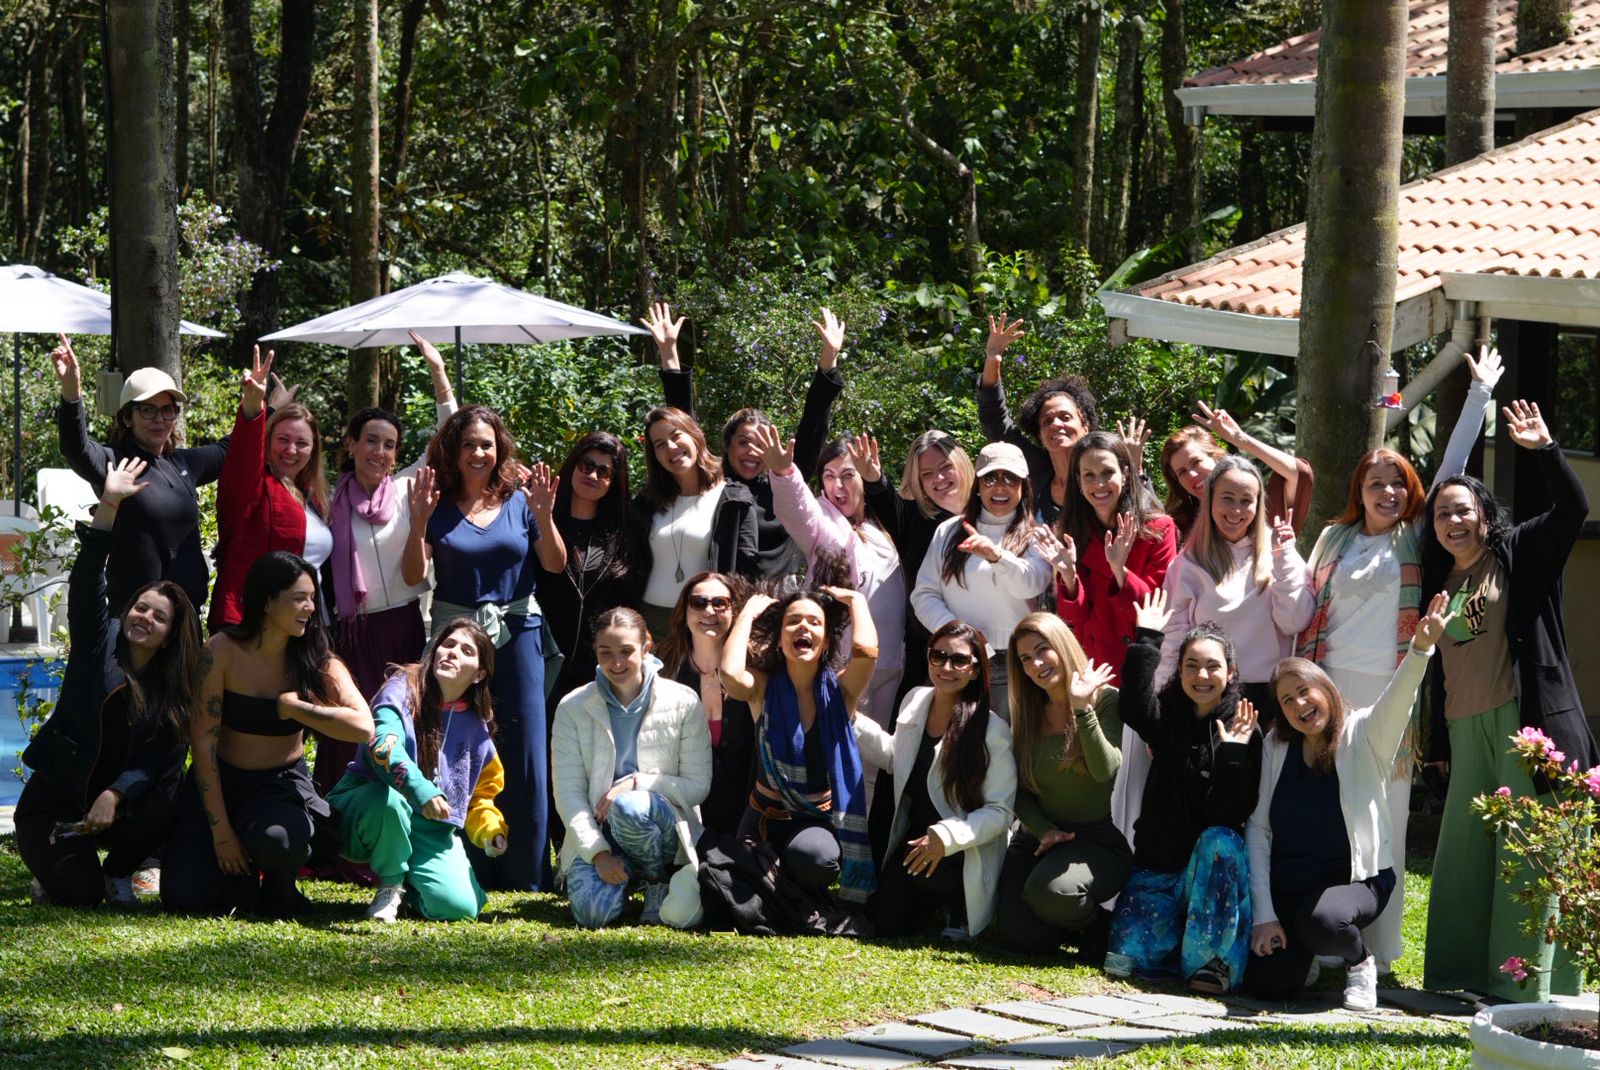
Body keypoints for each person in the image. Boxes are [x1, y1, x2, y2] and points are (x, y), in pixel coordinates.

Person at [1296, 347, 1501, 974]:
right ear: (1358, 491)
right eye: (1375, 483)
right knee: (1327, 818)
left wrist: (1479, 396)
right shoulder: (1332, 538)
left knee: (1384, 821)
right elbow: (1301, 609)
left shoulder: (1416, 536)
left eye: (1397, 483)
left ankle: (1379, 954)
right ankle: (1326, 944)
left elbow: (1452, 467)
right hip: (1327, 692)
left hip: (1391, 696)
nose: (1387, 492)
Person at [1419, 399, 1597, 1002]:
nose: (1452, 521)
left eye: (1462, 510)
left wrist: (1546, 450)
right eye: (1442, 514)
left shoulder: (1521, 553)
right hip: (1464, 729)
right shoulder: (1439, 582)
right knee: (1464, 858)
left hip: (1525, 727)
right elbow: (1439, 671)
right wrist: (1438, 745)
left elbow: (1574, 509)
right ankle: (1456, 978)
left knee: (1526, 853)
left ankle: (1518, 988)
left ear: (1484, 516)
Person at [1245, 593, 1452, 1010]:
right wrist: (1265, 915)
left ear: (1325, 689)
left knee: (1325, 920)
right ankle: (1306, 955)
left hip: (1356, 881)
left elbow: (1399, 699)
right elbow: (1259, 830)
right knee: (1267, 984)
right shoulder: (1275, 746)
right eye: (1287, 700)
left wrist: (1420, 649)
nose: (1299, 704)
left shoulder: (1363, 734)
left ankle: (1359, 962)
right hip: (1292, 882)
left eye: (1304, 691)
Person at [16, 459, 201, 907]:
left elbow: (156, 763)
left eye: (159, 617)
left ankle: (119, 871)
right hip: (56, 803)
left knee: (165, 801)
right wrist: (110, 504)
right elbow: (86, 580)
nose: (145, 618)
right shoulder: (98, 642)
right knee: (79, 894)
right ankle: (63, 872)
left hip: (116, 806)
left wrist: (116, 793)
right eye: (141, 607)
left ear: (170, 635)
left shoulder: (172, 685)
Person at [402, 405, 567, 892]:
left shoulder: (520, 500)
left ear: (500, 449)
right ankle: (464, 862)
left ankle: (526, 870)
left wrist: (545, 516)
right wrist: (417, 523)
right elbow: (413, 576)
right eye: (469, 444)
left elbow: (554, 564)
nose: (478, 453)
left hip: (518, 634)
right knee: (459, 742)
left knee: (525, 747)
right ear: (453, 451)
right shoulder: (436, 503)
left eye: (487, 444)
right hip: (456, 639)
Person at [163, 552, 373, 917]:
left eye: (312, 598)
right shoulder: (220, 651)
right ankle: (239, 876)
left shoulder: (316, 658)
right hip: (221, 781)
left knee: (281, 843)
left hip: (278, 787)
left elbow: (363, 726)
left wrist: (296, 709)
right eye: (299, 598)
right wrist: (221, 833)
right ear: (266, 601)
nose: (310, 607)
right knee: (185, 898)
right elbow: (204, 744)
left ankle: (279, 880)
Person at [320, 331, 458, 794]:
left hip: (403, 625)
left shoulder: (405, 489)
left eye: (389, 445)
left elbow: (448, 436)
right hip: (351, 632)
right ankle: (342, 817)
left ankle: (404, 808)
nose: (379, 452)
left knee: (402, 722)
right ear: (352, 445)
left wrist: (438, 372)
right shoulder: (328, 501)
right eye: (371, 441)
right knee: (351, 725)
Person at [1106, 591, 1261, 994]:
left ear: (1231, 671)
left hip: (1209, 876)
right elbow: (1133, 709)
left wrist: (1232, 755)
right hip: (1159, 867)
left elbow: (1228, 814)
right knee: (1123, 961)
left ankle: (1211, 961)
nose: (1201, 675)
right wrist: (1147, 639)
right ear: (1180, 670)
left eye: (1213, 666)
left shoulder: (1243, 726)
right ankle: (1174, 941)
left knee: (1221, 839)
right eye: (1192, 665)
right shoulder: (1169, 714)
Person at [644, 301, 846, 579]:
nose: (752, 450)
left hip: (777, 598)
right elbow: (681, 426)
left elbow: (814, 423)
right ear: (727, 446)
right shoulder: (713, 483)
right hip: (721, 596)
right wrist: (668, 352)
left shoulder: (783, 486)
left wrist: (829, 356)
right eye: (743, 442)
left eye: (761, 444)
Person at [329, 620, 506, 922]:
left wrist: (491, 829)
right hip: (369, 808)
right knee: (390, 802)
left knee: (459, 908)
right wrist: (420, 788)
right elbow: (382, 744)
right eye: (448, 644)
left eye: (466, 651)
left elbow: (479, 798)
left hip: (429, 830)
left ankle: (414, 887)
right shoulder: (400, 689)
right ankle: (391, 885)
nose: (452, 652)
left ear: (479, 674)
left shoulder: (478, 731)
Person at [851, 621, 1016, 940]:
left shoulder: (992, 730)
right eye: (938, 656)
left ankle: (959, 905)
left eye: (959, 660)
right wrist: (853, 720)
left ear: (975, 670)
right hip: (918, 843)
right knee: (883, 922)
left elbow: (1000, 812)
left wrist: (946, 837)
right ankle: (930, 905)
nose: (946, 667)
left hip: (963, 850)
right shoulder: (915, 699)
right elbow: (897, 758)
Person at [552, 607, 711, 929]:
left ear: (646, 648)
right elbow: (568, 793)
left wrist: (638, 782)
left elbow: (698, 786)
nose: (616, 663)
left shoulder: (683, 700)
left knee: (629, 805)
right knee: (593, 915)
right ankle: (623, 876)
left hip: (661, 826)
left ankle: (656, 881)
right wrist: (598, 854)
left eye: (626, 651)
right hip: (602, 831)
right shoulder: (572, 706)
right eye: (605, 653)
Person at [51, 334, 231, 615]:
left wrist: (266, 409)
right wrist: (71, 393)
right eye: (147, 410)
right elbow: (76, 449)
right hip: (137, 620)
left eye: (167, 410)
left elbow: (230, 449)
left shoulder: (181, 463)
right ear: (127, 417)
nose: (159, 420)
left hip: (185, 619)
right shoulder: (115, 462)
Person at [721, 586, 878, 906]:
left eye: (814, 622)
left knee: (817, 860)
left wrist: (857, 600)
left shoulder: (840, 692)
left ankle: (786, 876)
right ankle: (777, 878)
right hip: (763, 818)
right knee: (734, 890)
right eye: (792, 621)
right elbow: (730, 674)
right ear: (780, 640)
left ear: (826, 642)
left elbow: (866, 652)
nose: (803, 627)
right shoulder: (762, 687)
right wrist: (748, 614)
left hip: (815, 820)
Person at [990, 612, 1127, 957]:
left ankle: (1098, 926)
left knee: (1051, 893)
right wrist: (1044, 829)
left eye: (1042, 650)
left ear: (1063, 645)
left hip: (1094, 840)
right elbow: (1017, 790)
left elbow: (1104, 770)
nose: (1036, 664)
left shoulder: (1106, 699)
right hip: (1038, 838)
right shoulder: (1027, 712)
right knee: (1018, 938)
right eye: (1025, 659)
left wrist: (1082, 709)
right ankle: (1061, 920)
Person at [763, 426, 906, 727]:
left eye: (847, 474)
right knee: (840, 741)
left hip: (891, 662)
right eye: (829, 475)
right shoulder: (822, 520)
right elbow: (798, 510)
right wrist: (784, 474)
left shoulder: (884, 522)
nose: (837, 484)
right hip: (845, 662)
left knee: (878, 748)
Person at [910, 441, 1052, 722]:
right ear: (977, 485)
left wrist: (997, 557)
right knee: (951, 740)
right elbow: (923, 594)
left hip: (1015, 665)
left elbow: (1032, 583)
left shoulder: (1037, 535)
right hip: (956, 659)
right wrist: (960, 636)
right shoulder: (948, 531)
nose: (1000, 487)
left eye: (1010, 478)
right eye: (990, 478)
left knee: (1006, 744)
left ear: (1023, 486)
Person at [1157, 456, 1314, 705]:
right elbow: (1172, 640)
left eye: (1246, 500)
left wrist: (1282, 557)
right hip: (1207, 693)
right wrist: (1161, 698)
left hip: (1271, 694)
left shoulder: (1279, 549)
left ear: (1258, 504)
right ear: (1210, 500)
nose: (1236, 510)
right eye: (1227, 498)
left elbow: (1295, 622)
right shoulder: (1187, 564)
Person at [979, 314, 1146, 525]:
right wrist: (993, 358)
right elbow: (995, 421)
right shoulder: (1039, 470)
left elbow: (1151, 519)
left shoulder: (1108, 467)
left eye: (1065, 417)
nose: (1056, 424)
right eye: (1046, 421)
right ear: (1040, 435)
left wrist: (1136, 472)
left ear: (1085, 426)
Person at [210, 347, 333, 632]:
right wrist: (254, 405)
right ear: (267, 441)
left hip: (309, 627)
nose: (291, 450)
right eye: (283, 440)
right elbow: (243, 455)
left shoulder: (315, 498)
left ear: (313, 450)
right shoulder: (253, 486)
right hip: (253, 627)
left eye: (302, 443)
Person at [858, 430, 974, 696]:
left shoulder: (991, 513)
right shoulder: (912, 520)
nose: (939, 479)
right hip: (925, 656)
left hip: (984, 650)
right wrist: (873, 477)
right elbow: (885, 499)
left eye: (945, 467)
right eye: (927, 474)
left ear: (961, 463)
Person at [540, 430, 647, 708]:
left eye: (604, 471)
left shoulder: (627, 533)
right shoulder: (543, 519)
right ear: (573, 465)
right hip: (546, 662)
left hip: (604, 668)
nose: (592, 475)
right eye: (586, 465)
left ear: (614, 481)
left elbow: (633, 599)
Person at [634, 405, 760, 638]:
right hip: (650, 625)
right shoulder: (645, 503)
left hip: (706, 625)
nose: (671, 447)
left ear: (694, 436)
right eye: (659, 444)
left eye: (676, 436)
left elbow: (747, 575)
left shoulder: (734, 499)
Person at [656, 572, 755, 838]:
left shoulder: (753, 668)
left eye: (720, 603)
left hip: (746, 812)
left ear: (734, 611)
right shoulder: (665, 668)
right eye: (698, 603)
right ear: (684, 610)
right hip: (684, 813)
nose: (709, 611)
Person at [1159, 401, 1313, 542]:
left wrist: (1241, 439)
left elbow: (1300, 473)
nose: (1191, 475)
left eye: (1196, 462)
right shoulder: (1180, 528)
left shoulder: (1259, 505)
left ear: (1216, 457)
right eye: (1182, 472)